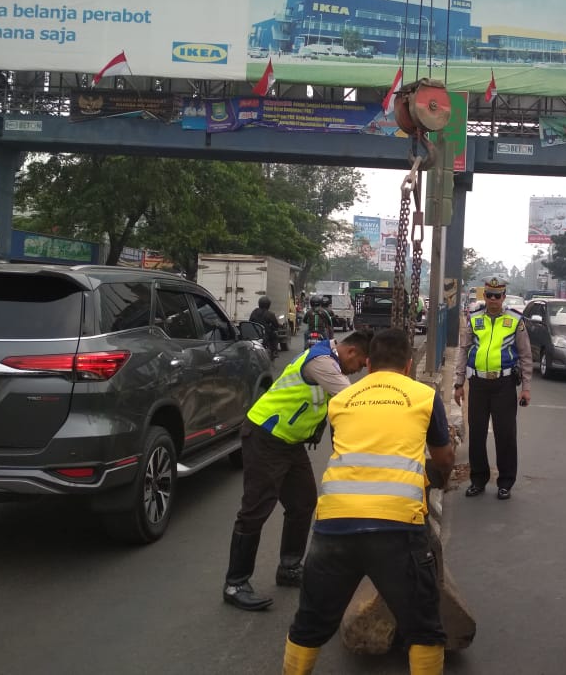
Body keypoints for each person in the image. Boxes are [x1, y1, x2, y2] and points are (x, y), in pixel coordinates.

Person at [282, 328, 455, 675]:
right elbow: (443, 457)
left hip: (334, 524)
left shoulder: (342, 398)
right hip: (397, 527)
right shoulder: (423, 395)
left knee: (310, 622)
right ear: (408, 365)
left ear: (368, 365)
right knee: (423, 626)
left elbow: (346, 449)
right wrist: (438, 477)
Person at [222, 330, 373, 612]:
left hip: (289, 442)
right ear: (351, 352)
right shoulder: (323, 363)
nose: (360, 370)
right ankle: (235, 583)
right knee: (256, 508)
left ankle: (289, 567)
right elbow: (353, 400)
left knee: (303, 503)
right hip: (266, 436)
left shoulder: (331, 360)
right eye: (362, 363)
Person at [453, 276, 532, 501]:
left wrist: (526, 388)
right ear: (484, 296)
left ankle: (505, 482)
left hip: (504, 384)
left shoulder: (515, 320)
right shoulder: (474, 318)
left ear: (504, 296)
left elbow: (526, 356)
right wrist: (459, 383)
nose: (493, 299)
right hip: (477, 384)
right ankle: (478, 479)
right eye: (489, 295)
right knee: (476, 434)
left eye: (498, 296)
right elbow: (463, 350)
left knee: (505, 435)